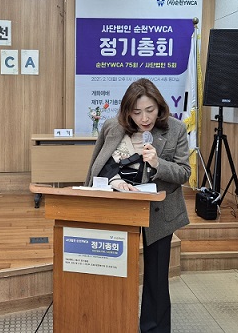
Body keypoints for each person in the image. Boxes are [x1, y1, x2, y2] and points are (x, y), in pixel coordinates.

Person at [85, 78, 191, 333]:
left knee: (156, 276)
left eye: (150, 110)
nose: (144, 118)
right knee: (115, 270)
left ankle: (154, 329)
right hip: (120, 208)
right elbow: (96, 168)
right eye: (137, 112)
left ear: (159, 106)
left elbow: (184, 173)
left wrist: (158, 163)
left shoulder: (175, 129)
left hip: (160, 211)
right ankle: (115, 323)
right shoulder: (112, 127)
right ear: (127, 111)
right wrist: (115, 182)